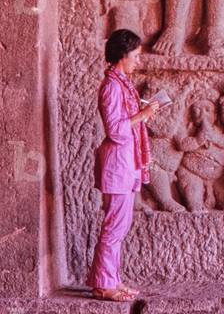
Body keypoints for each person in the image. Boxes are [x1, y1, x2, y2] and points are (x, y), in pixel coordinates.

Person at [87, 29, 162, 302]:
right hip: (117, 162)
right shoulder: (110, 86)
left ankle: (110, 280)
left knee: (119, 226)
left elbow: (125, 124)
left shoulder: (122, 84)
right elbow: (116, 130)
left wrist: (143, 115)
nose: (137, 61)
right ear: (122, 55)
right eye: (135, 56)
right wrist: (142, 115)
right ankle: (104, 285)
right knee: (114, 227)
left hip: (126, 162)